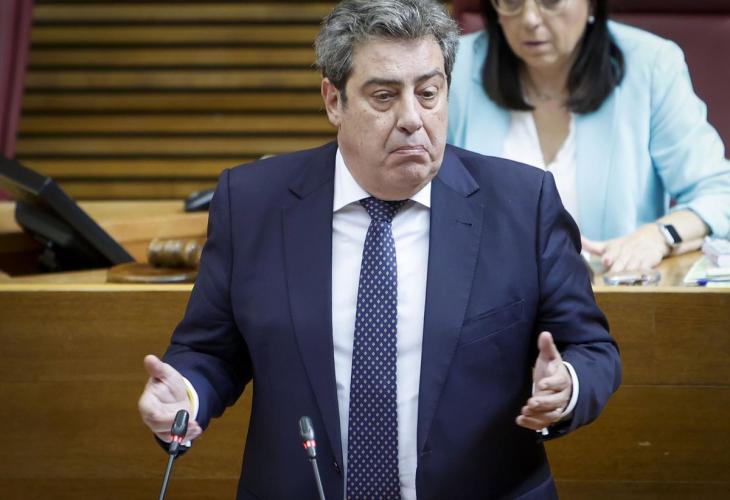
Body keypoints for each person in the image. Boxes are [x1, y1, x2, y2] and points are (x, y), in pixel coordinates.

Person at [138, 1, 621, 498]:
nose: (413, 118)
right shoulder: (253, 202)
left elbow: (591, 347)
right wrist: (186, 396)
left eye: (428, 93)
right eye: (384, 96)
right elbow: (210, 349)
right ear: (334, 101)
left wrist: (568, 385)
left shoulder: (522, 203)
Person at [448, 0, 730, 273]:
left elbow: (719, 191)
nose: (530, 19)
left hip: (613, 290)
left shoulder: (651, 65)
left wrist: (660, 235)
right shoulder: (453, 67)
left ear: (592, 4)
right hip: (484, 294)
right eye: (511, 1)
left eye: (551, 1)